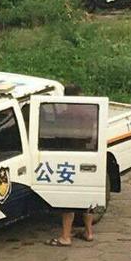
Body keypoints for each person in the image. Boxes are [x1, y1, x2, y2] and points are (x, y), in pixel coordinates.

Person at [47, 84, 95, 247]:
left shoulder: (64, 115)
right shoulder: (89, 113)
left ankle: (66, 236)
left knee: (68, 199)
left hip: (69, 156)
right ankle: (89, 233)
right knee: (88, 198)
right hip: (88, 155)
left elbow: (56, 136)